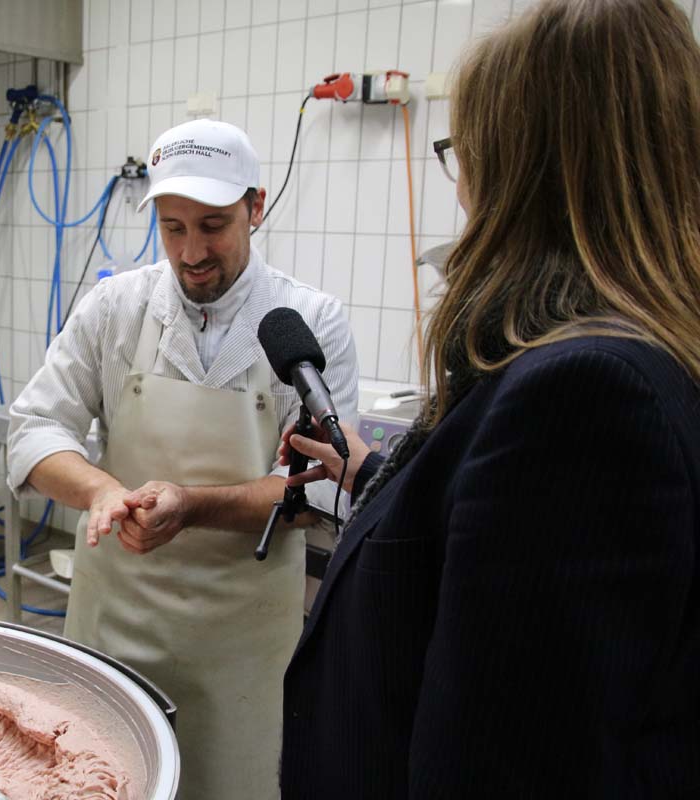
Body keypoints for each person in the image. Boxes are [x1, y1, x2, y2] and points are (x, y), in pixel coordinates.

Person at [277, 0, 700, 797]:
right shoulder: (646, 353)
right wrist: (372, 476)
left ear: (521, 168)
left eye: (461, 153)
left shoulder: (586, 398)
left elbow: (505, 764)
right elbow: (489, 562)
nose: (464, 190)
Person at [7, 118, 358, 800]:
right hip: (119, 620)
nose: (191, 252)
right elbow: (33, 429)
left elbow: (315, 489)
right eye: (172, 227)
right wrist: (101, 490)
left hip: (243, 643)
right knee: (109, 781)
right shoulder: (117, 308)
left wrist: (191, 507)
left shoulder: (309, 321)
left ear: (256, 208)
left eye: (213, 226)